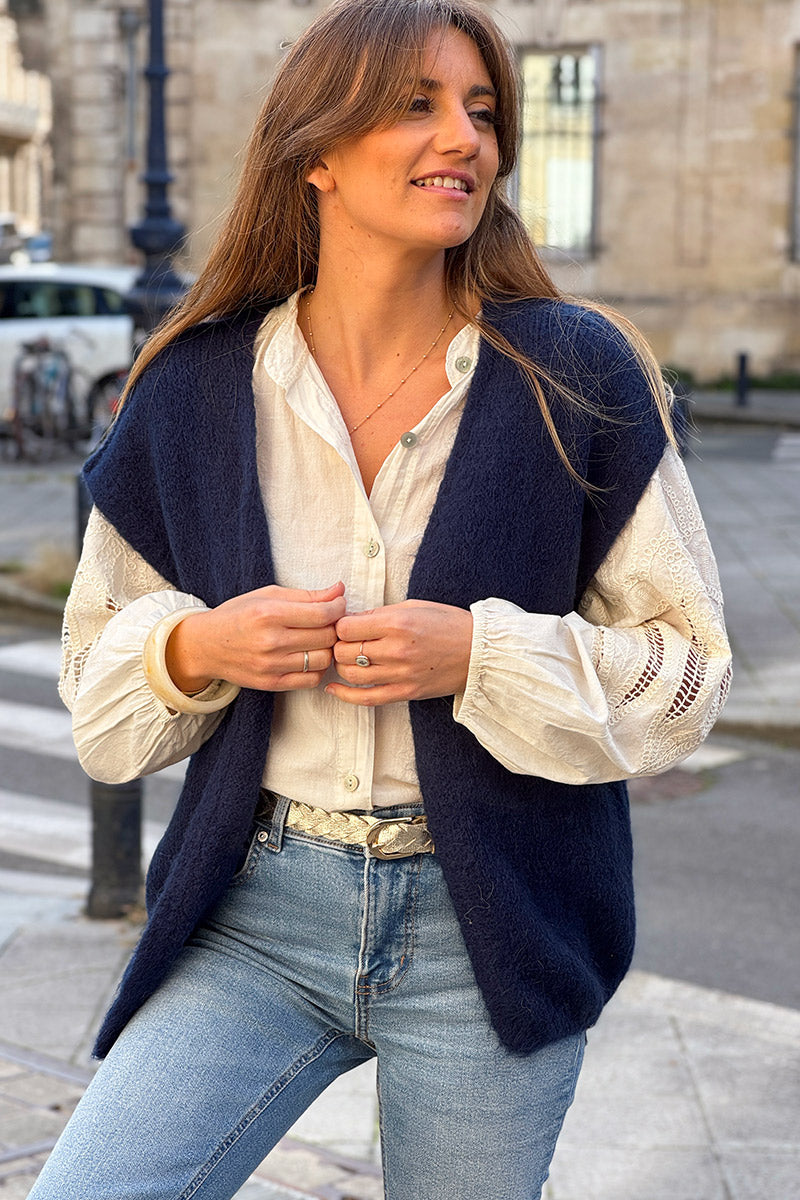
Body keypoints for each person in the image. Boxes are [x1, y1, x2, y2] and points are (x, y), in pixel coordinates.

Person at [30, 1, 732, 1197]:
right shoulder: (196, 385)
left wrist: (479, 655)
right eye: (415, 105)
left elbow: (685, 675)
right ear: (316, 152)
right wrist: (198, 646)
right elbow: (99, 709)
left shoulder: (574, 371)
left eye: (480, 111)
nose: (461, 136)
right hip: (254, 909)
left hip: (490, 930)